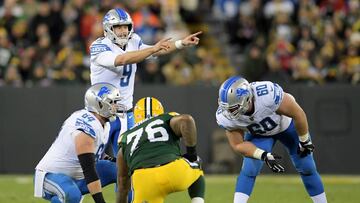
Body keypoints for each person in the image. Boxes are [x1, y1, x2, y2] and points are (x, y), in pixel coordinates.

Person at [89, 8, 202, 156]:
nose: (123, 31)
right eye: (118, 27)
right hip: (100, 114)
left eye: (125, 26)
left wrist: (181, 43)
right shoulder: (99, 46)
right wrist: (153, 49)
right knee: (91, 161)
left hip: (125, 113)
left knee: (127, 163)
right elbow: (121, 59)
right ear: (108, 29)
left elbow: (156, 50)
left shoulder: (134, 40)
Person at [215, 76, 328, 203]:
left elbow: (298, 114)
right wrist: (263, 155)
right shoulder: (225, 117)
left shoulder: (267, 94)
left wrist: (304, 139)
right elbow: (237, 145)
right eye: (226, 107)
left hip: (286, 127)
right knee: (249, 170)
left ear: (246, 99)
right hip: (259, 135)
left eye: (232, 108)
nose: (228, 112)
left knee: (307, 167)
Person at [34, 83, 123, 203]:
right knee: (72, 196)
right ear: (100, 104)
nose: (116, 106)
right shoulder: (86, 125)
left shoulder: (103, 124)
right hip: (51, 175)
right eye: (112, 102)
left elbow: (94, 153)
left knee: (122, 170)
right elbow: (89, 170)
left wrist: (111, 159)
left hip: (77, 176)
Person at [116, 97, 205, 203]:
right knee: (196, 163)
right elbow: (187, 120)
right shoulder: (165, 118)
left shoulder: (125, 137)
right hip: (173, 171)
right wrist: (191, 154)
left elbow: (122, 184)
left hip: (144, 182)